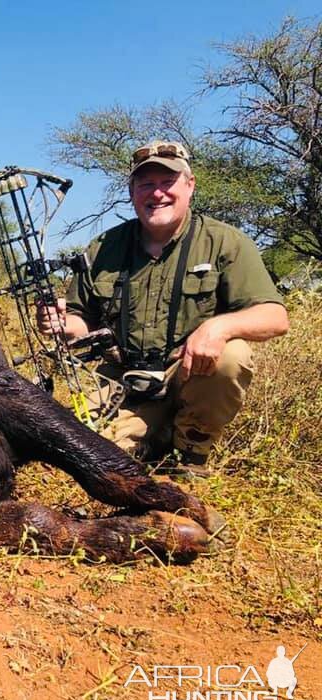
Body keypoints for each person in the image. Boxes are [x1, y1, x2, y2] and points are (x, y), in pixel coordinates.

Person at [37, 140, 289, 473]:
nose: (157, 193)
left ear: (190, 185)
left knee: (233, 355)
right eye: (146, 184)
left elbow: (275, 316)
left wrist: (218, 327)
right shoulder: (104, 247)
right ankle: (156, 434)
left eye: (167, 182)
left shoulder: (225, 241)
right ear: (132, 191)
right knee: (87, 459)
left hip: (187, 371)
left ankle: (191, 455)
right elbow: (83, 320)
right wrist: (61, 322)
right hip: (124, 379)